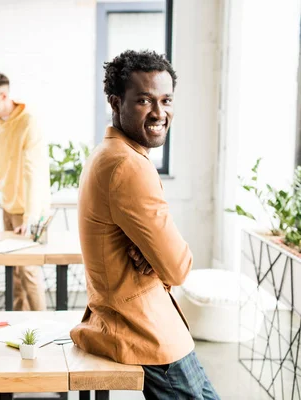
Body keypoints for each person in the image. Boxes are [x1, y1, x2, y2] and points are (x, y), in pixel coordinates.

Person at [70, 50, 219, 399]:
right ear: (115, 101)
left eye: (166, 100)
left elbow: (162, 259)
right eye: (144, 100)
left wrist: (153, 255)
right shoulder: (128, 166)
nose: (159, 112)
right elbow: (178, 267)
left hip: (134, 320)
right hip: (146, 331)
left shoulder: (109, 153)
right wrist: (157, 259)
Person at [0, 69, 50, 311]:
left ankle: (42, 325)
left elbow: (32, 172)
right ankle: (20, 331)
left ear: (3, 95)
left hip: (31, 209)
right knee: (13, 273)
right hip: (8, 205)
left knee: (29, 271)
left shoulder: (28, 122)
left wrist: (30, 217)